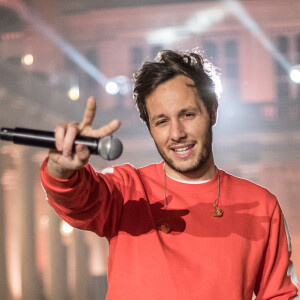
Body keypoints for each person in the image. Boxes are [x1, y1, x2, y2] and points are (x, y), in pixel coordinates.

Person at [40, 50, 299, 299]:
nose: (176, 134)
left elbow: (281, 295)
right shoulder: (126, 190)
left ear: (212, 112)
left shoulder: (262, 205)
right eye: (161, 121)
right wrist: (61, 168)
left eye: (187, 114)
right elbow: (78, 200)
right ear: (150, 127)